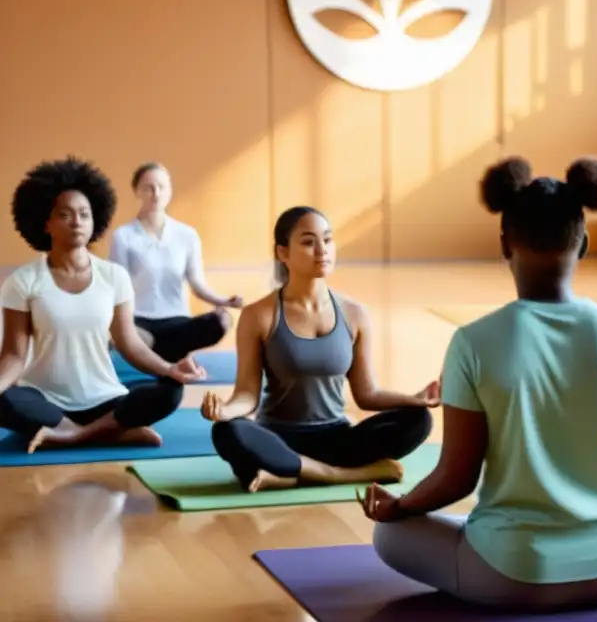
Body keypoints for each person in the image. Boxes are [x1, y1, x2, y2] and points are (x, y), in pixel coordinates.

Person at [356, 155, 597, 613]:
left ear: (505, 245)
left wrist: (400, 507)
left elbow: (455, 480)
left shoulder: (472, 342)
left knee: (391, 534)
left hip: (507, 576)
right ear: (583, 244)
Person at [200, 206, 436, 493]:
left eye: (327, 239)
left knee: (419, 420)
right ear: (283, 253)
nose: (322, 250)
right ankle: (338, 475)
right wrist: (224, 411)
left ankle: (291, 474)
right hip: (279, 440)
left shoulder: (354, 314)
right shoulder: (258, 315)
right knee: (227, 432)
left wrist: (415, 399)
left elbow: (367, 394)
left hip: (336, 439)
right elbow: (248, 395)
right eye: (309, 242)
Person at [0, 157, 206, 453]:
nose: (77, 222)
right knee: (5, 399)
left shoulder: (113, 276)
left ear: (95, 219)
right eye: (65, 214)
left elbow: (130, 344)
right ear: (46, 223)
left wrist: (171, 369)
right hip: (45, 400)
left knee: (170, 391)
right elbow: (13, 356)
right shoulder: (23, 281)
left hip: (104, 399)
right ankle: (112, 433)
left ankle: (71, 435)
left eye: (84, 214)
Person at [108, 162, 242, 364]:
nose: (156, 193)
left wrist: (223, 301)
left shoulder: (187, 235)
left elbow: (196, 282)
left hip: (178, 322)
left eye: (161, 187)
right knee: (123, 331)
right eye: (148, 187)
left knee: (223, 320)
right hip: (139, 323)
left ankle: (159, 351)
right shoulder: (123, 236)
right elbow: (117, 288)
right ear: (137, 191)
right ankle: (154, 350)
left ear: (169, 190)